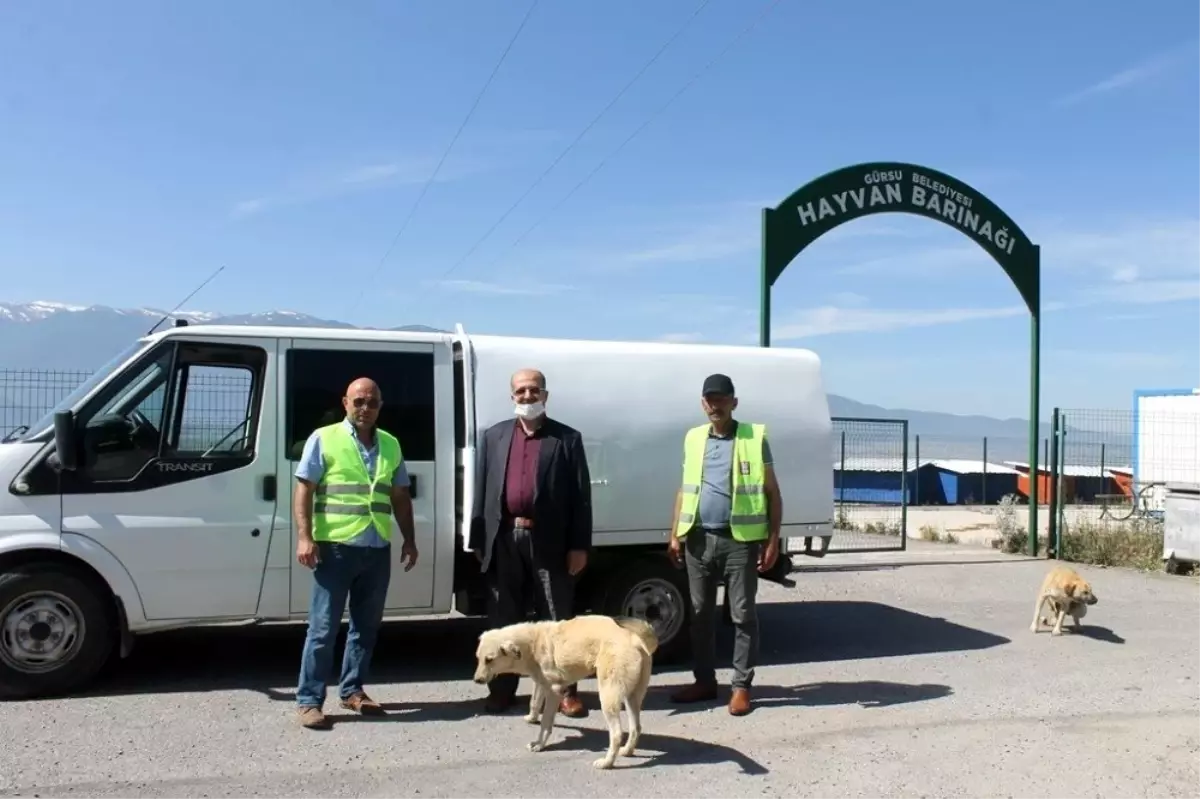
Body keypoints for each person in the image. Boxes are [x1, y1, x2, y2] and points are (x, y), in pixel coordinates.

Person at [293, 376, 419, 730]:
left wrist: (409, 539)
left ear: (381, 406)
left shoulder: (391, 444)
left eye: (373, 402)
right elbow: (304, 490)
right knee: (322, 629)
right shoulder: (325, 438)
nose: (366, 408)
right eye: (359, 401)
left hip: (376, 549)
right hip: (335, 549)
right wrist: (306, 537)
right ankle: (309, 701)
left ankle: (352, 691)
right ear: (345, 402)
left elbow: (400, 498)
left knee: (366, 628)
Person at [468, 368, 593, 717]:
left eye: (534, 390)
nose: (527, 396)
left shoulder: (567, 439)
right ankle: (502, 690)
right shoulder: (494, 437)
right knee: (504, 620)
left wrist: (579, 545)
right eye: (521, 391)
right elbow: (483, 491)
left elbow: (581, 498)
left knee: (555, 620)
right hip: (504, 538)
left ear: (545, 396)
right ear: (512, 397)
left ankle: (565, 691)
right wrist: (480, 540)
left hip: (549, 541)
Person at [666, 373, 782, 717]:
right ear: (703, 403)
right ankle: (704, 681)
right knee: (699, 616)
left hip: (740, 542)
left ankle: (741, 687)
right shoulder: (694, 438)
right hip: (698, 539)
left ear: (734, 402)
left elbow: (772, 493)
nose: (714, 405)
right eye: (709, 400)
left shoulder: (752, 437)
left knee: (742, 614)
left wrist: (773, 539)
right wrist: (674, 533)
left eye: (721, 399)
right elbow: (685, 488)